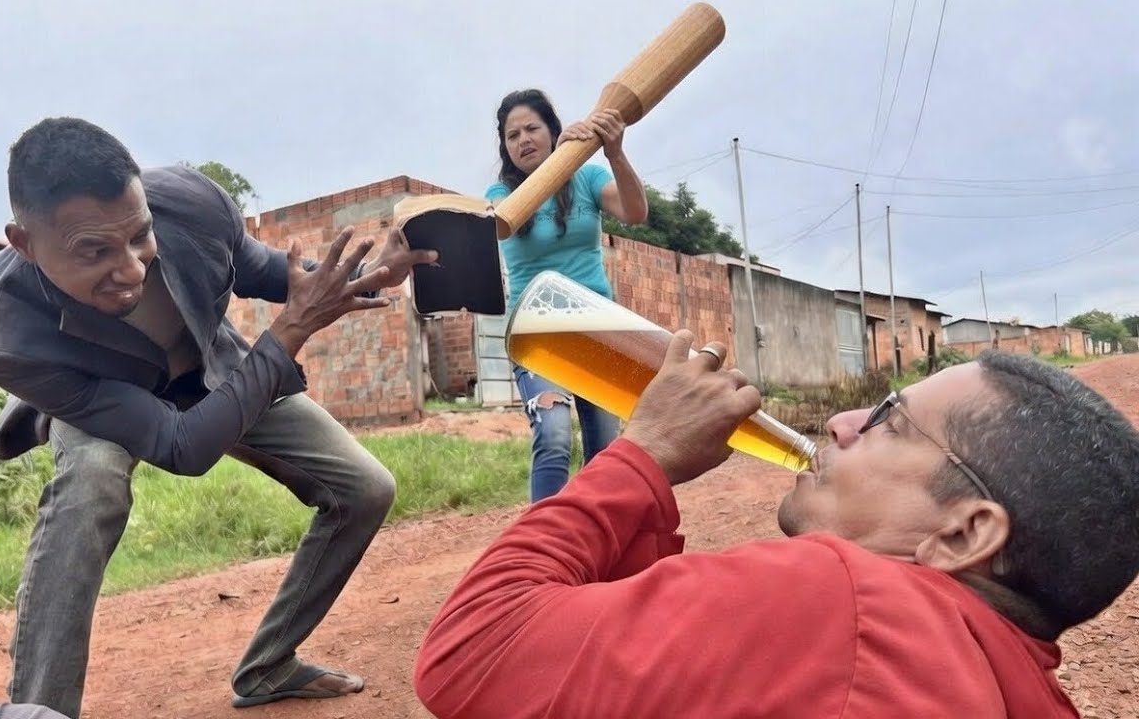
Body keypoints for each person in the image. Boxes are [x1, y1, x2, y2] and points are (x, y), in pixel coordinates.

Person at [0, 117, 437, 718]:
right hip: (101, 398)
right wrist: (292, 329)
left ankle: (268, 667)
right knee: (90, 484)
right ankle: (41, 711)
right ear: (25, 243)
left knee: (366, 487)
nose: (132, 267)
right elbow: (183, 448)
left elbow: (270, 270)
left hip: (211, 371)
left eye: (139, 236)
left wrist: (367, 275)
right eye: (95, 251)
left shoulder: (191, 205)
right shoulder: (10, 332)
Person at [413, 333, 1139, 718]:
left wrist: (644, 455)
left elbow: (472, 651)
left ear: (962, 534)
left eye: (889, 421)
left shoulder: (844, 604)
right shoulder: (1027, 694)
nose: (843, 423)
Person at [484, 88, 650, 502]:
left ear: (553, 130)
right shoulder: (500, 196)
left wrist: (612, 152)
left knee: (606, 452)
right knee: (554, 434)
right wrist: (562, 159)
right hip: (536, 332)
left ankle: (599, 546)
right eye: (512, 135)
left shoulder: (589, 178)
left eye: (532, 129)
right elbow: (500, 226)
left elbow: (635, 212)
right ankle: (541, 551)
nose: (522, 140)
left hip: (596, 328)